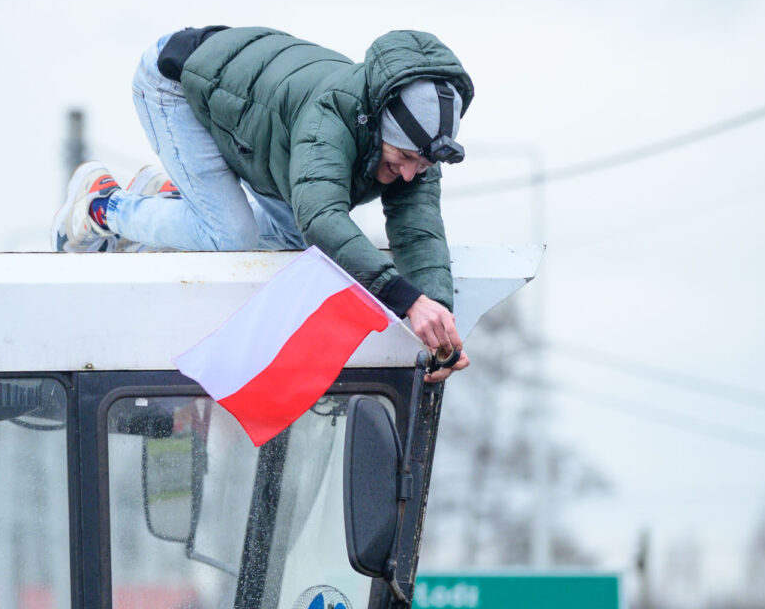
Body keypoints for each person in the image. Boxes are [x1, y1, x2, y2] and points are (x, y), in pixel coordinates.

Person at [52, 26, 475, 383]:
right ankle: (102, 206)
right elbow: (322, 219)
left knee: (292, 245)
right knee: (231, 237)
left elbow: (419, 233)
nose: (407, 175)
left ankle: (169, 201)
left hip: (254, 119)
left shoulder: (416, 149)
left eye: (420, 165)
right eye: (400, 159)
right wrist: (405, 299)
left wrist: (438, 322)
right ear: (379, 123)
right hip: (176, 84)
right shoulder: (329, 122)